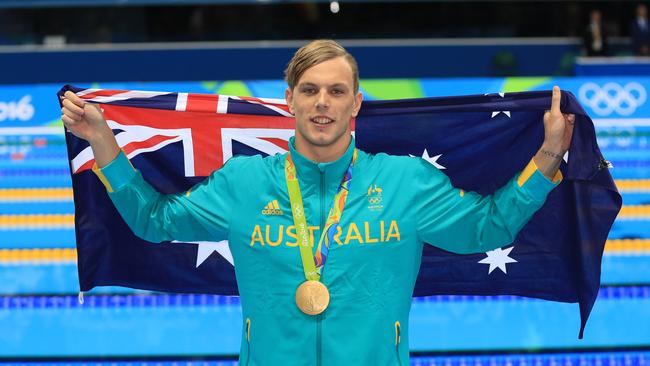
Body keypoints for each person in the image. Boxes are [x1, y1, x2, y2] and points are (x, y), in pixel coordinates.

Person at [61, 40, 575, 366]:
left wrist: (550, 152)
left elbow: (487, 229)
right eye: (309, 90)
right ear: (290, 100)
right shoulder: (244, 182)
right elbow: (154, 220)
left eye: (335, 91)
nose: (322, 103)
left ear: (356, 103)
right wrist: (102, 140)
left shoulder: (404, 181)